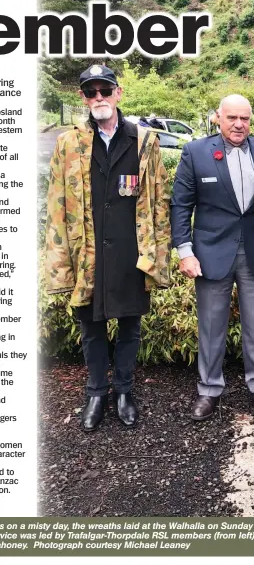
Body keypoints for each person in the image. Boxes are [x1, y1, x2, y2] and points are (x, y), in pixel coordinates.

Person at [45, 65, 171, 432]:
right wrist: (58, 261)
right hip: (88, 254)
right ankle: (97, 392)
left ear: (118, 93)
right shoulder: (69, 143)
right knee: (91, 328)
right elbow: (55, 202)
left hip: (132, 253)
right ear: (83, 98)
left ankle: (124, 392)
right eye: (90, 92)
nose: (98, 97)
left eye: (105, 90)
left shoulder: (144, 141)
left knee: (130, 327)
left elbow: (160, 199)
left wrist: (158, 253)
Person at [171, 94, 254, 421]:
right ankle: (209, 389)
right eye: (232, 118)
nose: (239, 125)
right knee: (211, 326)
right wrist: (185, 251)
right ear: (218, 118)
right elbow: (181, 205)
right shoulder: (196, 153)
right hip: (211, 253)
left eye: (245, 119)